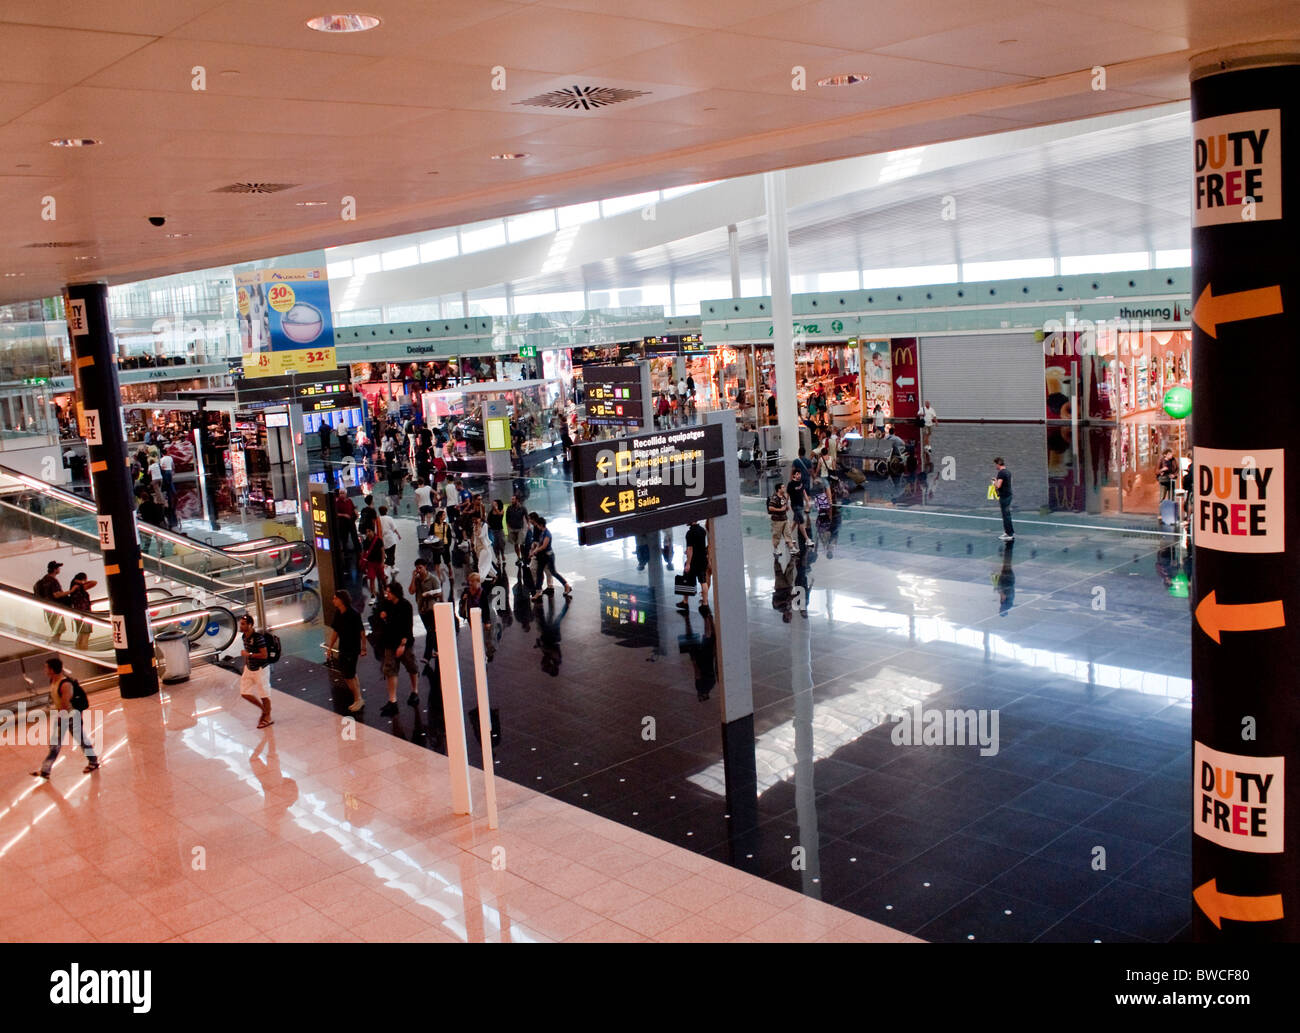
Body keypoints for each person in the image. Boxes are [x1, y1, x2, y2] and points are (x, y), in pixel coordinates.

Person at [30, 658, 99, 778]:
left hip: (70, 716)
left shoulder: (65, 684)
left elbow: (65, 704)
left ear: (52, 669)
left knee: (79, 741)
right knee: (57, 744)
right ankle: (45, 770)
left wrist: (61, 718)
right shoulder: (53, 681)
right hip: (63, 716)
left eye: (46, 667)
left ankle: (93, 762)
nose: (44, 670)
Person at [377, 582, 418, 716]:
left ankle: (414, 691)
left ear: (395, 593)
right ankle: (392, 700)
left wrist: (402, 645)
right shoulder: (386, 604)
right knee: (390, 670)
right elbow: (380, 612)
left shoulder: (406, 606)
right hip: (390, 641)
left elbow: (407, 626)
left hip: (403, 642)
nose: (387, 594)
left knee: (411, 666)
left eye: (389, 592)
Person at [326, 589, 366, 712]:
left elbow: (361, 632)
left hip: (352, 648)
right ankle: (358, 698)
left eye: (335, 598)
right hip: (343, 647)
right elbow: (335, 631)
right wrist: (330, 647)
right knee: (349, 673)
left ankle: (358, 699)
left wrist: (363, 648)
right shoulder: (338, 613)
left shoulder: (353, 614)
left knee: (349, 675)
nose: (333, 600)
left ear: (341, 600)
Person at [237, 614, 273, 728]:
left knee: (264, 694)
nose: (240, 626)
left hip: (260, 670)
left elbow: (264, 655)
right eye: (240, 623)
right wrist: (247, 661)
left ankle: (267, 717)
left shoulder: (258, 638)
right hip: (249, 668)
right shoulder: (244, 636)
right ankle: (264, 710)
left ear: (250, 625)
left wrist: (249, 655)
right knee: (244, 692)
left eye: (243, 624)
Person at [527, 513, 570, 602]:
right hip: (543, 556)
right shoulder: (542, 532)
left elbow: (544, 546)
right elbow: (538, 542)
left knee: (553, 572)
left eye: (538, 525)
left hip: (548, 556)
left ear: (540, 525)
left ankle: (566, 585)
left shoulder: (547, 534)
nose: (536, 526)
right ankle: (538, 592)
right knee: (539, 572)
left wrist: (535, 551)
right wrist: (534, 547)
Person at [410, 558, 441, 662]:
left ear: (425, 567)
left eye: (420, 567)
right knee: (431, 631)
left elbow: (439, 593)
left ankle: (427, 656)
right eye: (417, 568)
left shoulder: (433, 579)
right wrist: (413, 578)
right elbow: (411, 591)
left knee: (430, 631)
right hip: (422, 609)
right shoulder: (417, 580)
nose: (418, 570)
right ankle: (438, 649)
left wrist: (429, 594)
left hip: (431, 609)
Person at [34, 560, 69, 641]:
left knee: (57, 629)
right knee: (58, 630)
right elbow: (56, 594)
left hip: (47, 607)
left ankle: (54, 644)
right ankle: (54, 645)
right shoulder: (53, 580)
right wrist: (70, 591)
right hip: (54, 607)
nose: (59, 569)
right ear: (54, 569)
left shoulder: (44, 579)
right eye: (58, 568)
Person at [683, 518, 710, 613]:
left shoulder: (689, 533)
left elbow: (690, 549)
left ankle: (685, 601)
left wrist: (688, 563)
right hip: (703, 559)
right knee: (703, 581)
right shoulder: (702, 530)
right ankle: (705, 604)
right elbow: (700, 545)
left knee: (686, 580)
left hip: (694, 561)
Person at [66, 571, 97, 651]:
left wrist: (78, 582)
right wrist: (82, 582)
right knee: (86, 634)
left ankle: (79, 650)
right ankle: (84, 651)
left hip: (77, 614)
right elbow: (94, 582)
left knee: (80, 633)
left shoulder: (74, 589)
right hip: (85, 614)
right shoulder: (80, 588)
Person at [768, 481, 795, 551]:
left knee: (788, 533)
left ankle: (791, 547)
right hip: (777, 520)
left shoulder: (784, 496)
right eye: (783, 487)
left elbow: (785, 504)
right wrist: (780, 510)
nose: (784, 488)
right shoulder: (774, 498)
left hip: (785, 519)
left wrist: (787, 507)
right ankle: (776, 548)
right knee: (777, 535)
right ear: (779, 489)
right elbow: (770, 508)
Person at [360, 524, 387, 595]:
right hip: (370, 563)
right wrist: (362, 560)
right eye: (366, 532)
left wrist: (382, 562)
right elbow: (363, 552)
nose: (367, 533)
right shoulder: (365, 542)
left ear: (373, 531)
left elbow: (382, 551)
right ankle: (373, 594)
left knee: (382, 578)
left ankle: (386, 590)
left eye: (369, 531)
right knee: (372, 579)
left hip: (378, 563)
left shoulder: (379, 540)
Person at [992, 456, 1015, 541]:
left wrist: (994, 482)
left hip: (1004, 496)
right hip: (1008, 495)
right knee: (1006, 514)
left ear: (998, 464)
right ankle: (1008, 532)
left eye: (995, 464)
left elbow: (998, 486)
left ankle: (1009, 534)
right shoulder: (1008, 472)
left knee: (1006, 515)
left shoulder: (1001, 473)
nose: (995, 466)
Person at [505, 494, 528, 561]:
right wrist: (508, 527)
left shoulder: (522, 508)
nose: (512, 501)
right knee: (515, 544)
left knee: (521, 543)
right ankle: (518, 557)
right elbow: (507, 518)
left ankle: (523, 556)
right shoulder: (509, 508)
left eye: (513, 499)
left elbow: (526, 517)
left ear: (517, 500)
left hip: (520, 528)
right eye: (511, 499)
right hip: (512, 528)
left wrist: (528, 525)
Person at [378, 504, 400, 571]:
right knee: (391, 554)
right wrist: (398, 534)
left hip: (382, 540)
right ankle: (386, 566)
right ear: (386, 511)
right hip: (390, 539)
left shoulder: (378, 519)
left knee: (387, 554)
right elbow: (394, 528)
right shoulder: (389, 518)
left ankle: (392, 567)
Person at [487, 498, 506, 565]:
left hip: (500, 529)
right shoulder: (491, 512)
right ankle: (498, 558)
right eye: (493, 503)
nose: (493, 504)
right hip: (493, 530)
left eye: (495, 503)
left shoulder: (501, 510)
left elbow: (500, 515)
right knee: (495, 545)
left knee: (501, 543)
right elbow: (488, 519)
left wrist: (496, 509)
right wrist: (489, 525)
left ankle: (503, 554)